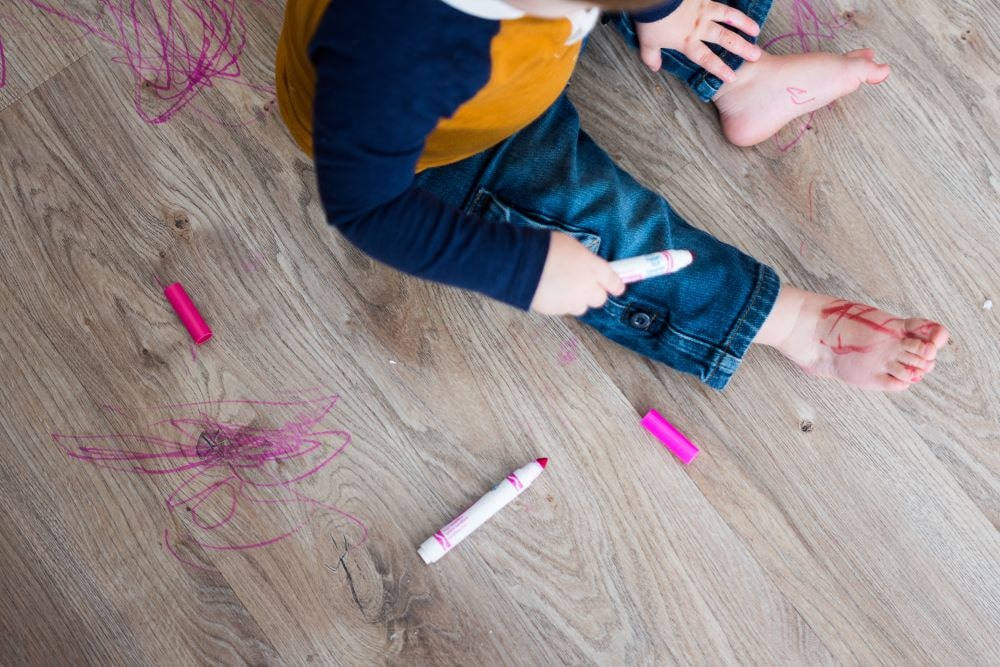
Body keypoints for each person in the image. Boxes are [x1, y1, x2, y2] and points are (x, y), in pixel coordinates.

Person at [274, 0, 948, 391]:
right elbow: (367, 206)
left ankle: (739, 76)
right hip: (452, 142)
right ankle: (792, 323)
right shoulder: (399, 57)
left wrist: (664, 12)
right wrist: (527, 270)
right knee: (599, 225)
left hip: (526, 54)